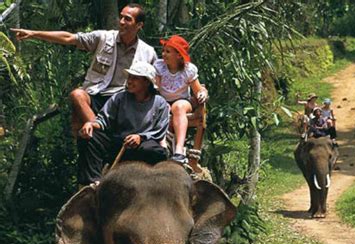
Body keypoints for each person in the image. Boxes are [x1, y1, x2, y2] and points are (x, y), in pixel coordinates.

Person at [11, 4, 158, 134]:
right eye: (121, 17)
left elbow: (154, 85)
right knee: (77, 95)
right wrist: (33, 33)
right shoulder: (103, 38)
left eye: (127, 19)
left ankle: (99, 133)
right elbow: (69, 38)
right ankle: (99, 130)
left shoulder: (148, 52)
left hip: (123, 99)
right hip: (96, 93)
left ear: (139, 25)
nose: (121, 22)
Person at [77, 61, 169, 186]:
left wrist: (140, 137)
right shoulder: (119, 98)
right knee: (89, 137)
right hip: (119, 143)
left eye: (135, 78)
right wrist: (91, 125)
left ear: (147, 82)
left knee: (155, 152)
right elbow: (104, 120)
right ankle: (92, 182)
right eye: (129, 77)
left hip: (142, 146)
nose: (129, 81)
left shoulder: (160, 103)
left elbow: (159, 131)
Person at [153, 35, 208, 164]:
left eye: (168, 52)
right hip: (163, 100)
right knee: (162, 105)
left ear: (178, 55)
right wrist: (161, 101)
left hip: (182, 101)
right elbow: (156, 88)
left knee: (178, 107)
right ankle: (163, 143)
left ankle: (179, 149)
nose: (164, 54)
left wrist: (202, 94)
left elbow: (198, 89)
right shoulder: (159, 66)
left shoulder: (188, 70)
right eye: (163, 51)